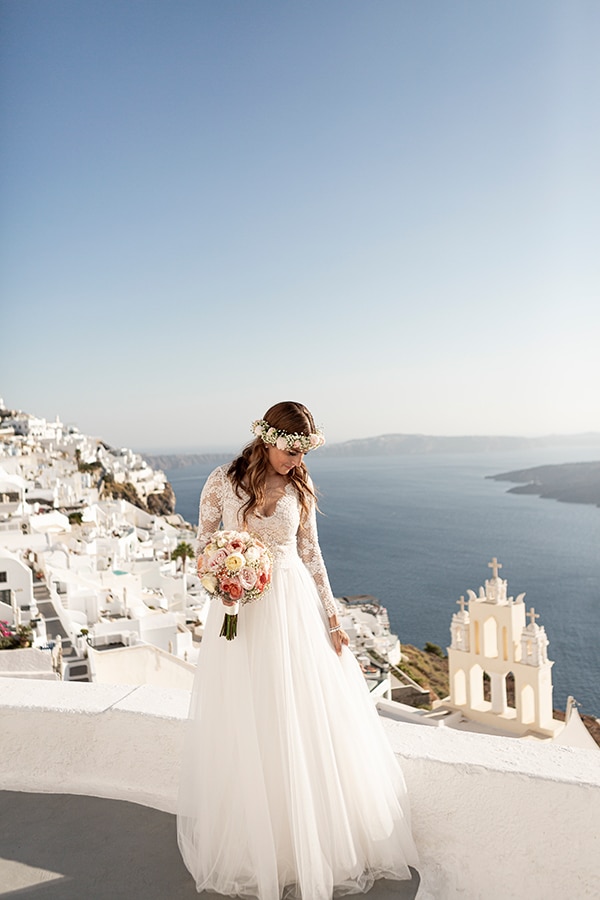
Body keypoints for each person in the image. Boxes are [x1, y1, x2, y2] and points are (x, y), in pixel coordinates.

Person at [177, 402, 418, 899]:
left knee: (298, 717)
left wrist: (332, 618)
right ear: (267, 439)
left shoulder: (300, 488)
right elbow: (203, 543)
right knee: (250, 717)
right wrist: (222, 580)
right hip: (240, 613)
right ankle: (257, 844)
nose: (295, 460)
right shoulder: (222, 481)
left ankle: (306, 842)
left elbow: (311, 554)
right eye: (290, 449)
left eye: (302, 451)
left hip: (292, 609)